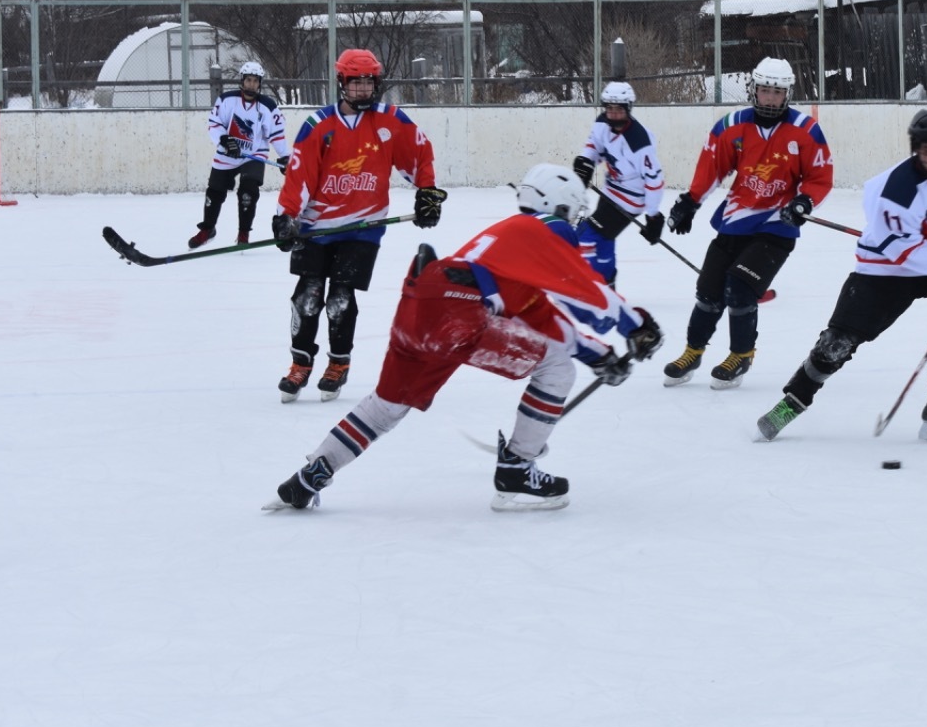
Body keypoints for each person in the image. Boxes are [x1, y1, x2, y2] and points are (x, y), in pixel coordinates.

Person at [264, 166, 665, 513]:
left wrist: (598, 355)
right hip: (461, 310)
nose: (574, 223)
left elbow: (547, 320)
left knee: (386, 406)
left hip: (425, 301)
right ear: (557, 204)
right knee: (556, 368)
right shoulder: (547, 229)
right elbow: (586, 289)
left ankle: (312, 473)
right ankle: (517, 468)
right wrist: (637, 325)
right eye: (572, 213)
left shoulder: (510, 246)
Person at [755, 109, 927, 444]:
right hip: (886, 267)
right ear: (916, 149)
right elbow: (904, 252)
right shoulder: (895, 191)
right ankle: (793, 401)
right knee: (838, 342)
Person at [272, 48, 446, 403]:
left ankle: (338, 364)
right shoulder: (318, 125)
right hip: (316, 227)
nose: (364, 90)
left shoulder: (390, 120)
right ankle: (300, 363)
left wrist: (427, 192)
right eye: (356, 83)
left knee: (340, 298)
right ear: (342, 83)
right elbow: (299, 176)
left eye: (369, 82)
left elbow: (419, 152)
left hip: (363, 226)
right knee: (306, 298)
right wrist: (287, 216)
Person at [661, 57, 834, 389]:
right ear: (753, 89)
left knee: (739, 290)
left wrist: (803, 201)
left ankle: (741, 355)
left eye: (777, 92)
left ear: (788, 94)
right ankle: (692, 351)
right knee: (708, 293)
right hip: (734, 222)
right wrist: (690, 201)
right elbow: (712, 167)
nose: (770, 98)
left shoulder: (806, 131)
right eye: (765, 90)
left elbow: (820, 176)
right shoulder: (731, 125)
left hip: (776, 227)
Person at [571, 81, 665, 284]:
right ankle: (607, 282)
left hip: (630, 199)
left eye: (619, 110)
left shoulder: (639, 142)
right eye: (609, 109)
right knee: (605, 238)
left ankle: (595, 283)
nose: (613, 114)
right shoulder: (602, 122)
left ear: (628, 108)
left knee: (587, 236)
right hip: (611, 189)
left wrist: (653, 216)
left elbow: (655, 181)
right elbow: (594, 145)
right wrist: (586, 161)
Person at [189, 61, 289, 248]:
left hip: (254, 154)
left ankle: (243, 233)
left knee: (248, 192)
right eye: (248, 80)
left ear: (260, 83)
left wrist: (285, 157)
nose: (251, 84)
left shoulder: (267, 106)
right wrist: (224, 139)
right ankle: (208, 229)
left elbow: (276, 133)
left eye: (255, 81)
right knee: (214, 192)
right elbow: (214, 123)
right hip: (227, 154)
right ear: (242, 81)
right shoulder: (226, 100)